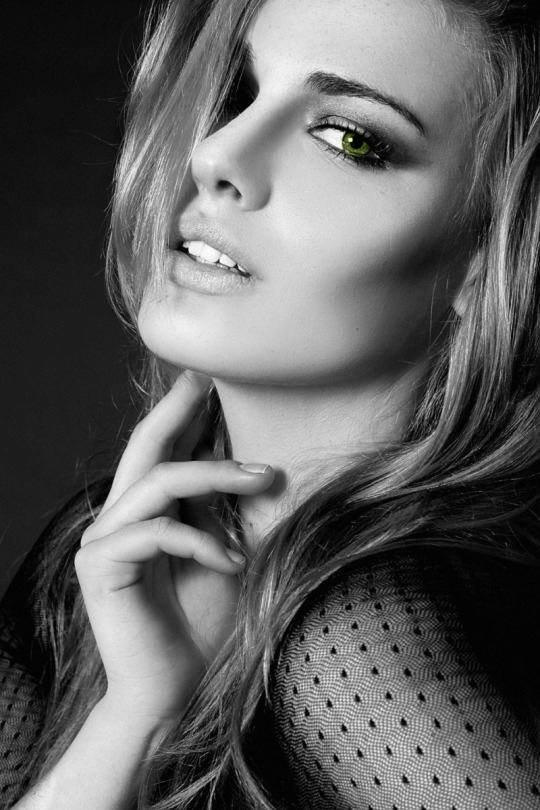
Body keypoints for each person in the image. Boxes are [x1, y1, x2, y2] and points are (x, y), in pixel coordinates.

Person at [1, 0, 540, 807]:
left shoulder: (371, 633)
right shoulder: (107, 560)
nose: (216, 152)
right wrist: (133, 715)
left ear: (490, 254)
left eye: (348, 138)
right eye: (238, 91)